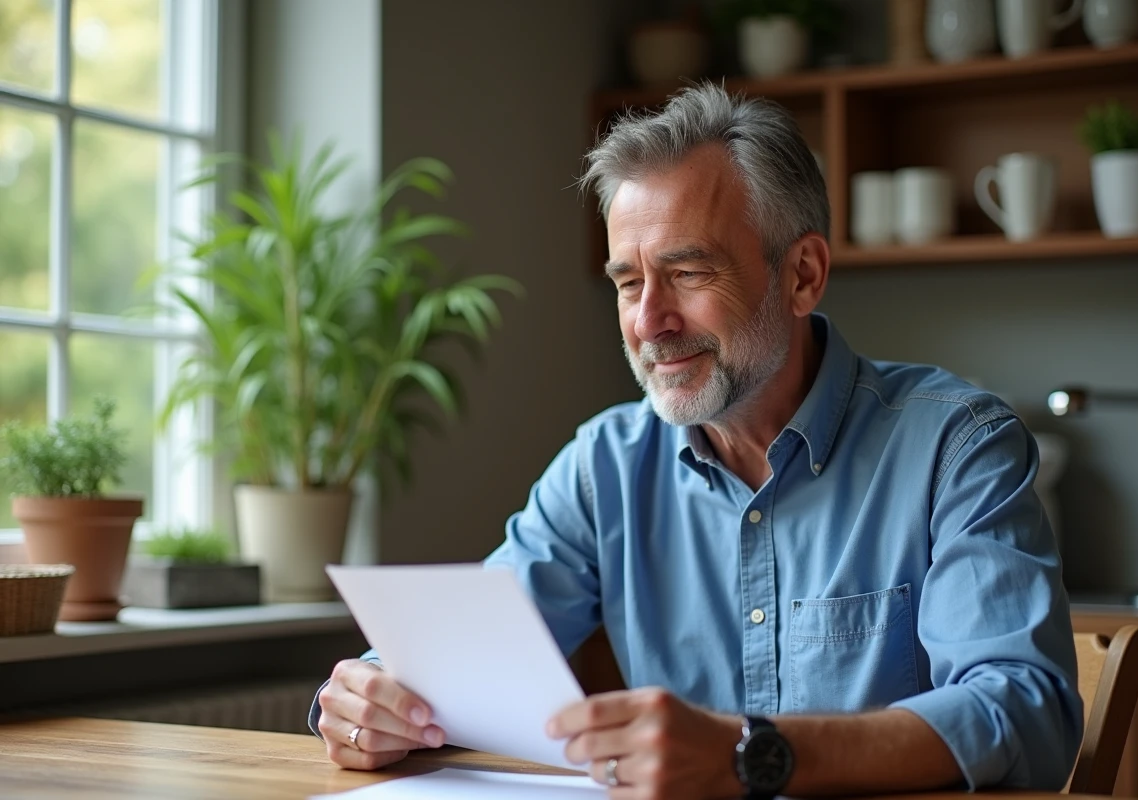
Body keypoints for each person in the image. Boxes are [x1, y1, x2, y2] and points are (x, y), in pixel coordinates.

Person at [310, 82, 1082, 799]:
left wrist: (751, 754)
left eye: (686, 273)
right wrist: (367, 698)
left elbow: (1026, 715)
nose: (648, 322)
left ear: (803, 275)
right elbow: (462, 656)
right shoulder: (603, 468)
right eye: (626, 282)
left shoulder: (957, 446)